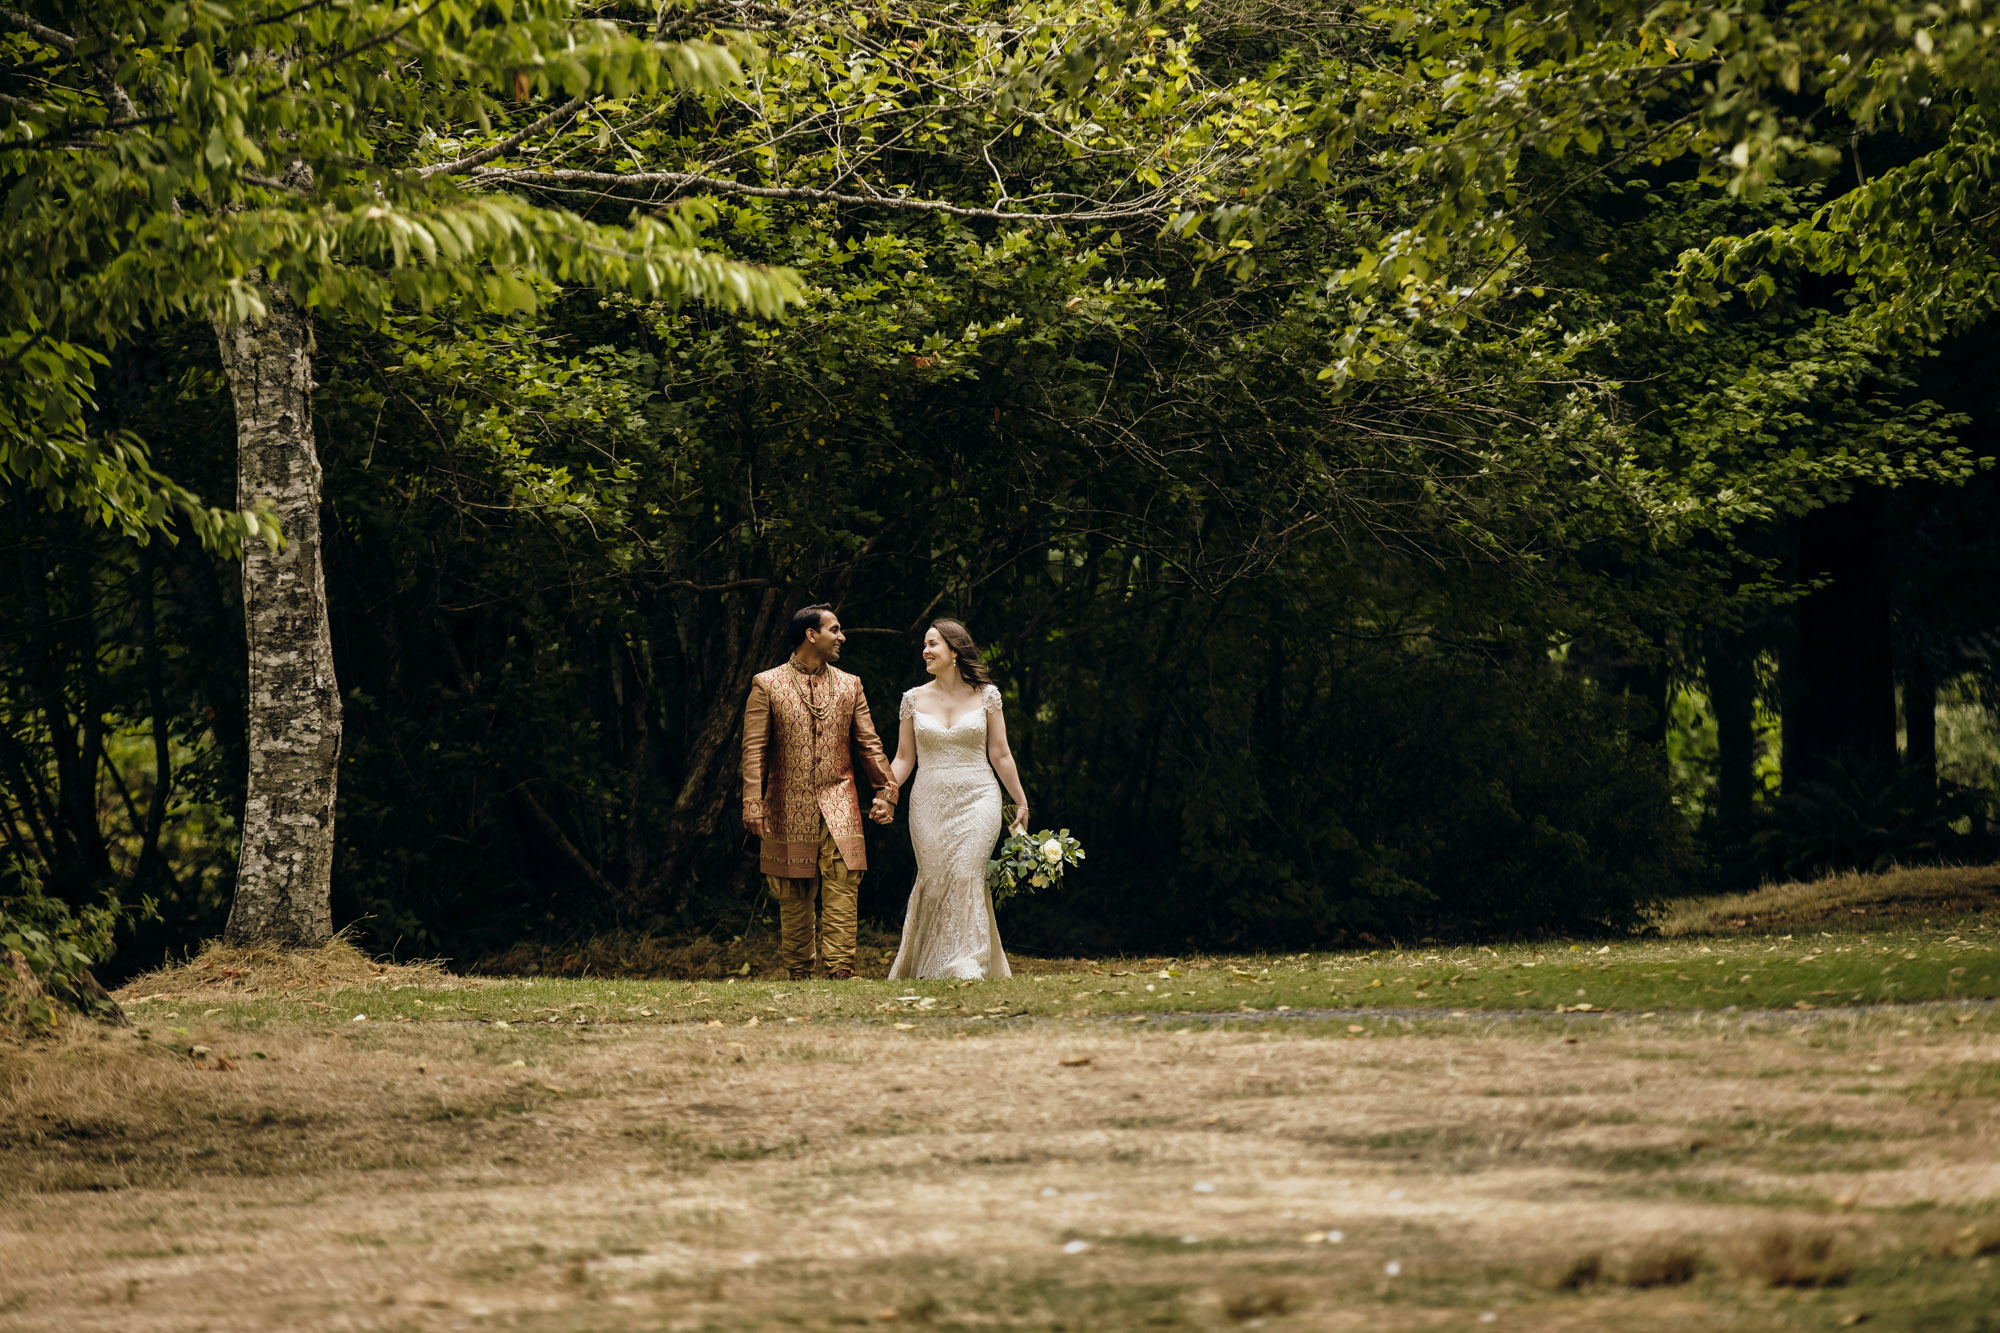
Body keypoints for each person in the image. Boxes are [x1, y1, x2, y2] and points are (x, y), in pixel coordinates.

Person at [741, 603, 897, 980]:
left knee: (845, 880)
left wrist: (886, 790)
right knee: (793, 889)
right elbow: (754, 749)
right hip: (786, 801)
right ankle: (798, 970)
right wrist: (752, 802)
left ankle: (840, 968)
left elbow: (869, 743)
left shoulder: (849, 684)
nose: (842, 637)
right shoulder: (768, 683)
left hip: (840, 799)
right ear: (811, 635)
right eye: (835, 630)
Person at [883, 619, 1027, 980]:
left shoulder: (987, 695)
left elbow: (1001, 754)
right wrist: (886, 793)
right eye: (925, 645)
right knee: (934, 877)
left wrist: (1020, 801)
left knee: (966, 873)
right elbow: (903, 758)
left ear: (954, 651)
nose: (925, 651)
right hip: (928, 799)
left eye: (933, 644)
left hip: (979, 795)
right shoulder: (912, 699)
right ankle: (927, 963)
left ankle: (966, 963)